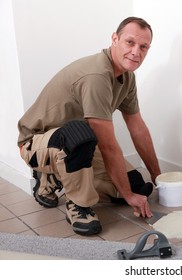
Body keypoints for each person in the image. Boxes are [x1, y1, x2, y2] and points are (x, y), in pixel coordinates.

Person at [17, 17, 161, 236]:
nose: (136, 52)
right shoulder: (97, 76)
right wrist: (129, 198)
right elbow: (108, 145)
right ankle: (78, 203)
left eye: (144, 47)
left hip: (74, 143)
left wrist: (158, 177)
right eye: (130, 43)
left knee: (138, 187)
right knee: (82, 134)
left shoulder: (127, 77)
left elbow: (138, 128)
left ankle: (58, 176)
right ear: (115, 39)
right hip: (36, 143)